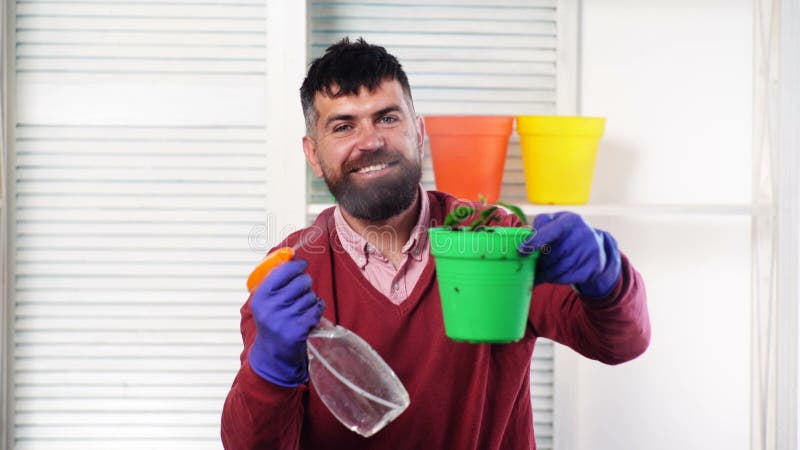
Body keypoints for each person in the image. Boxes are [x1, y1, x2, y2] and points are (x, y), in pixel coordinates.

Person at [221, 37, 650, 450]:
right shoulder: (291, 274)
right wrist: (270, 369)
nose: (370, 141)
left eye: (387, 118)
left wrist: (606, 276)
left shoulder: (495, 239)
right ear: (313, 155)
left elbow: (620, 343)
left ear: (419, 133)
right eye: (343, 126)